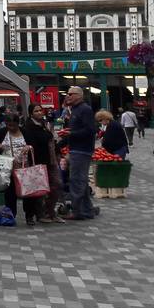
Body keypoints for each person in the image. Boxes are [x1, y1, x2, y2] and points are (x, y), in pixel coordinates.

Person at [0, 111, 42, 226]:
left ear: (18, 123)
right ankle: (11, 214)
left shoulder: (26, 132)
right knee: (10, 192)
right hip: (9, 169)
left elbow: (35, 145)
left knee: (28, 192)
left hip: (25, 168)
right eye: (8, 125)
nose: (10, 127)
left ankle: (29, 215)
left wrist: (29, 147)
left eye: (12, 125)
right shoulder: (2, 132)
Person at [58, 86, 96, 221]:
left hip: (82, 150)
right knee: (81, 181)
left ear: (79, 96)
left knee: (76, 180)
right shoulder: (75, 110)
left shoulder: (84, 109)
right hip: (76, 148)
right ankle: (87, 210)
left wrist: (71, 133)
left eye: (70, 94)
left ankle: (77, 211)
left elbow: (90, 130)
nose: (68, 96)